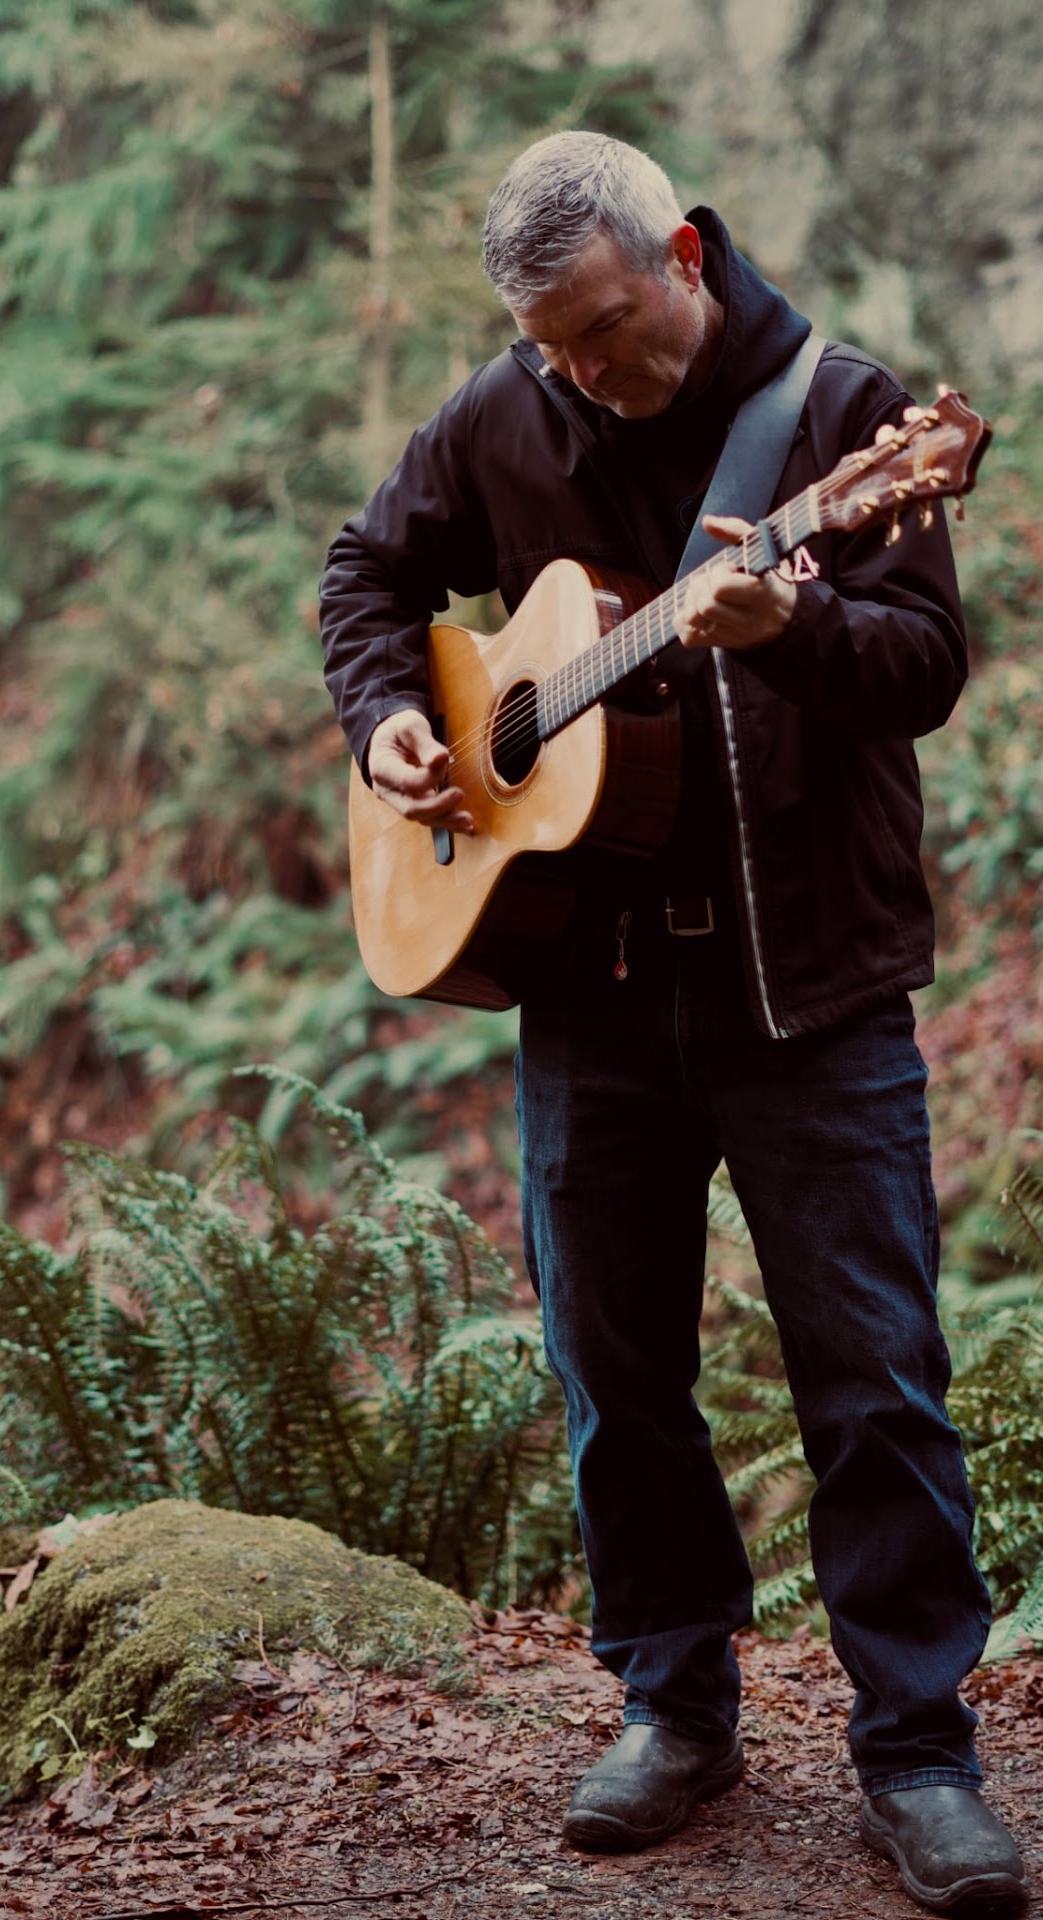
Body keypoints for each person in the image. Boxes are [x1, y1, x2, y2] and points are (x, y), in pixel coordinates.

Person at [319, 131, 1026, 1916]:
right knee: (616, 1376)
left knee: (872, 1377)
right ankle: (676, 1706)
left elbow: (924, 670)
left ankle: (919, 1753)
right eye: (548, 345)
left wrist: (786, 627)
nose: (580, 373)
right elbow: (365, 575)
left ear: (685, 256)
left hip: (811, 988)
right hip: (591, 994)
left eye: (606, 329)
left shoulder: (848, 418)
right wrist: (390, 713)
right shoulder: (506, 413)